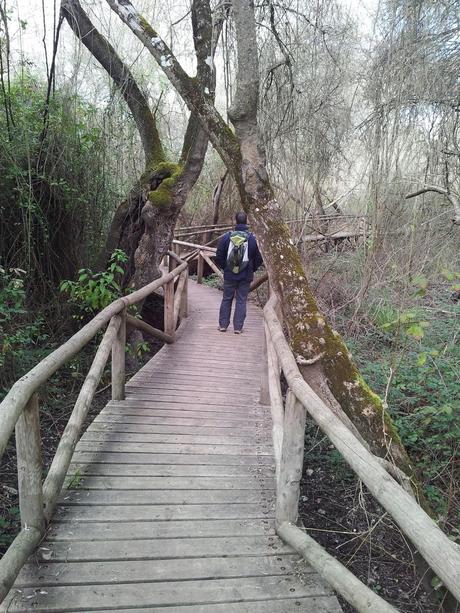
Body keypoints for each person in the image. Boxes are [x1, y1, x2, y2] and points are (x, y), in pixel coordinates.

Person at [215, 211, 263, 333]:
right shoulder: (252, 239)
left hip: (229, 275)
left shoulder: (226, 237)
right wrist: (252, 268)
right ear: (246, 221)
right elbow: (259, 258)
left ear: (235, 221)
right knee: (241, 300)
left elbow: (219, 255)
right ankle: (238, 328)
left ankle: (223, 325)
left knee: (227, 299)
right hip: (245, 275)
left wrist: (225, 267)